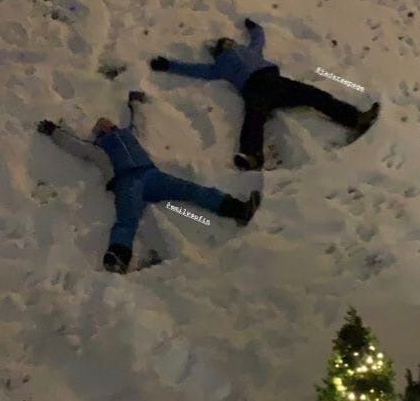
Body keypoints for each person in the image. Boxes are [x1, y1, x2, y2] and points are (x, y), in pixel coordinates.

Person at [37, 91, 261, 273]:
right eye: (102, 125)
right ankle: (118, 255)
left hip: (152, 176)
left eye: (107, 122)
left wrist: (134, 103)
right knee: (127, 219)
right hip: (126, 182)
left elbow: (136, 123)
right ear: (98, 133)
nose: (107, 124)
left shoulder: (127, 134)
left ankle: (237, 209)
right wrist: (55, 132)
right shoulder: (99, 149)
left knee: (191, 190)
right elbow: (77, 146)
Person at [150, 19, 379, 171]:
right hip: (254, 87)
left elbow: (258, 39)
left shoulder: (249, 51)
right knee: (253, 120)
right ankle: (252, 156)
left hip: (274, 81)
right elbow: (196, 70)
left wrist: (254, 27)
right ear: (220, 51)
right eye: (225, 44)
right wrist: (169, 65)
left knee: (314, 95)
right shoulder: (219, 66)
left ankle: (355, 118)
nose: (230, 43)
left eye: (230, 41)